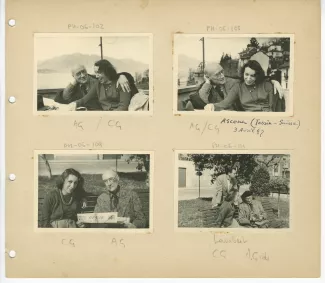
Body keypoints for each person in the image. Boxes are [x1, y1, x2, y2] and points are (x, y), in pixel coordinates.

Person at [186, 62, 284, 111]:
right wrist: (207, 83)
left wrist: (273, 81)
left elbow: (253, 78)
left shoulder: (233, 81)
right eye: (217, 74)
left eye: (222, 72)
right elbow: (201, 100)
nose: (222, 76)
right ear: (208, 77)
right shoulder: (207, 86)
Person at [55, 64, 134, 110]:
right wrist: (75, 81)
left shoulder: (97, 79)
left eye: (83, 71)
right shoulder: (77, 85)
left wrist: (122, 76)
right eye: (78, 74)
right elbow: (64, 97)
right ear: (73, 76)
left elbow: (112, 76)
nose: (82, 75)